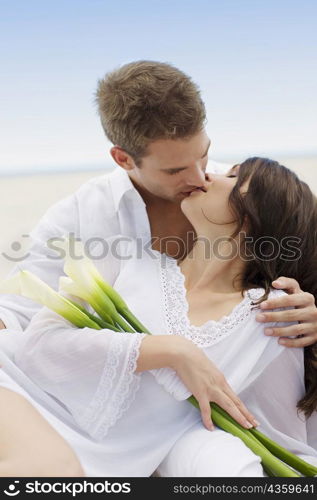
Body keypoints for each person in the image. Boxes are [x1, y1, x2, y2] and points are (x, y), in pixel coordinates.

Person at [0, 60, 316, 475]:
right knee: (47, 467)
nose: (201, 176)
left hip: (125, 434)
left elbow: (296, 244)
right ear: (123, 158)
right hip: (41, 388)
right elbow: (23, 313)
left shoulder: (244, 196)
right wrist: (169, 350)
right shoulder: (86, 220)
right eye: (174, 170)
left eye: (204, 156)